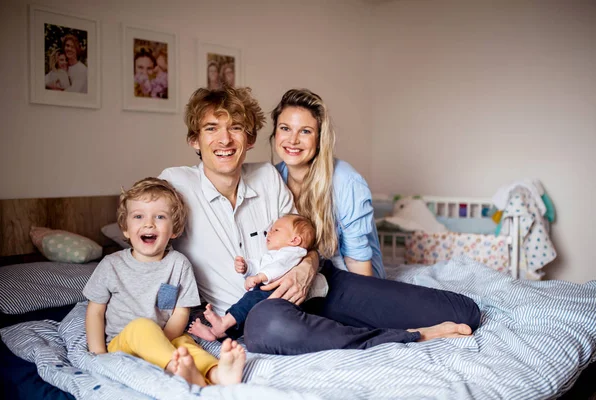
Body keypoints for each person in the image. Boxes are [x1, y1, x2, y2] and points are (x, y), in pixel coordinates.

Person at [159, 86, 480, 356]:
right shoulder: (175, 185)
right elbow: (150, 256)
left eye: (236, 128)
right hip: (257, 311)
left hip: (318, 284)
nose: (224, 140)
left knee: (465, 312)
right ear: (194, 140)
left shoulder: (269, 177)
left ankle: (355, 322)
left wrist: (306, 267)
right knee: (269, 327)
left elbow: (307, 245)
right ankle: (409, 337)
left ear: (252, 137)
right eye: (211, 128)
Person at [83, 177, 245, 387]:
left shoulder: (178, 264)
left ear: (174, 229)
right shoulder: (111, 265)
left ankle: (215, 374)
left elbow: (180, 312)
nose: (148, 223)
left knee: (187, 344)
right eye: (138, 216)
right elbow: (95, 311)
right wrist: (99, 354)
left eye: (160, 217)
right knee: (142, 326)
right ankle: (178, 372)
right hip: (122, 344)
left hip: (167, 337)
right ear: (125, 228)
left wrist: (163, 339)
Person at [270, 88, 385, 278]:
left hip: (351, 279)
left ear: (319, 138)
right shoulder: (272, 178)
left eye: (305, 131)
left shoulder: (347, 182)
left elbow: (358, 265)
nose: (293, 140)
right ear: (275, 132)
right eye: (285, 128)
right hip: (306, 280)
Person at [188, 213, 318, 341]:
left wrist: (260, 277)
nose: (269, 232)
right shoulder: (275, 254)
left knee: (249, 300)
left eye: (276, 230)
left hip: (278, 291)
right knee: (248, 315)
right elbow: (260, 265)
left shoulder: (293, 252)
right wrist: (246, 267)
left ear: (294, 240)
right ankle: (218, 333)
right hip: (270, 291)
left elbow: (280, 267)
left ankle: (223, 323)